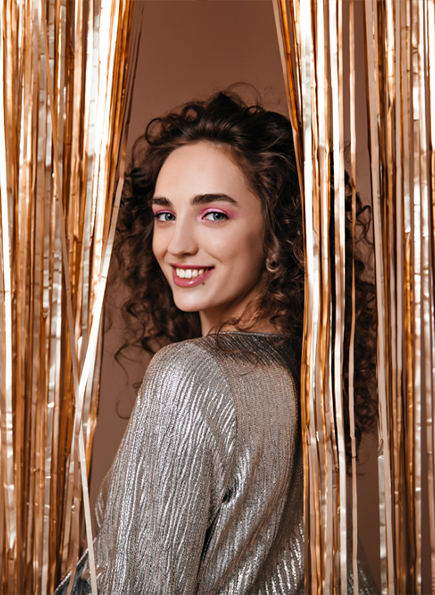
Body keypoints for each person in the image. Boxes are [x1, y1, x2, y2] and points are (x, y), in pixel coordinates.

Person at [55, 90, 377, 594]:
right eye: (165, 214)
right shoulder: (309, 375)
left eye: (214, 215)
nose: (177, 243)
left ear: (280, 234)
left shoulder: (190, 377)